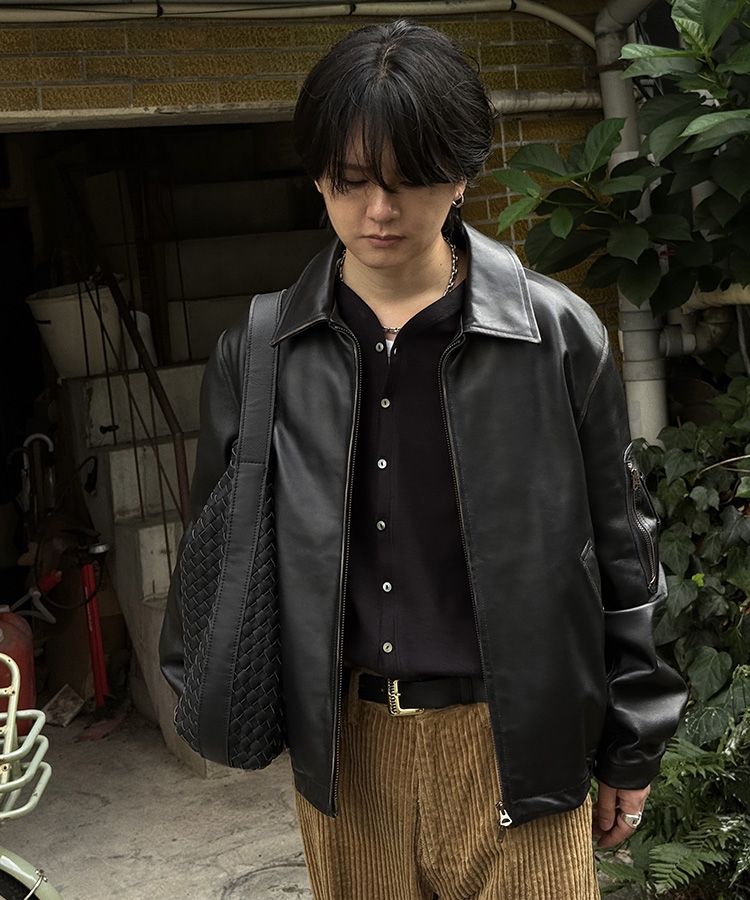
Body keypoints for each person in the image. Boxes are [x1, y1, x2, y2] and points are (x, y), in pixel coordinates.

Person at [160, 20, 688, 899]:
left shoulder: (557, 337)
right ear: (317, 174)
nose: (379, 210)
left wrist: (632, 744)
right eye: (350, 180)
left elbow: (622, 553)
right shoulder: (259, 351)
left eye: (408, 180)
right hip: (350, 754)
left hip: (521, 745)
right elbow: (219, 550)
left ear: (463, 173)